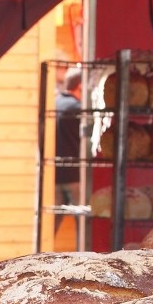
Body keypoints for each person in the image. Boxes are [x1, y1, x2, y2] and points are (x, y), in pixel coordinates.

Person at [54, 66, 83, 232]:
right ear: (79, 85)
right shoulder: (78, 108)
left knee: (52, 223)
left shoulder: (55, 103)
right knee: (82, 223)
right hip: (74, 175)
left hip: (54, 174)